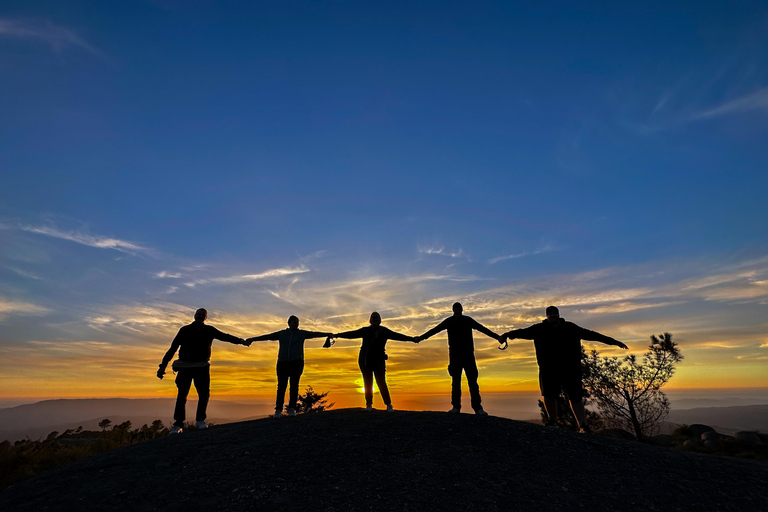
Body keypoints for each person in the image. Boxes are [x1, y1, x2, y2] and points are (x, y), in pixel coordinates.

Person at [499, 305, 628, 433]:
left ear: (558, 315)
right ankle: (553, 421)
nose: (553, 316)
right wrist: (507, 335)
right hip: (548, 369)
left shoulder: (570, 328)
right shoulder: (539, 329)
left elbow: (592, 335)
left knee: (575, 397)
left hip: (570, 369)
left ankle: (582, 425)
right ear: (547, 316)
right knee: (548, 395)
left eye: (555, 313)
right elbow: (521, 332)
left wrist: (614, 342)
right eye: (551, 314)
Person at [157, 308, 247, 434]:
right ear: (194, 316)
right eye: (198, 314)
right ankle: (178, 424)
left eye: (202, 315)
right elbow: (172, 349)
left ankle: (200, 420)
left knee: (204, 395)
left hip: (202, 367)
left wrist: (240, 341)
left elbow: (225, 337)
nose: (200, 316)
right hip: (185, 367)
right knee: (182, 396)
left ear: (205, 318)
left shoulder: (209, 330)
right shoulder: (185, 330)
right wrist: (162, 366)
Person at [415, 302, 500, 415]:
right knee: (456, 382)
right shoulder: (449, 321)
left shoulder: (468, 320)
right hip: (455, 356)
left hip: (468, 355)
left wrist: (497, 337)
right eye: (455, 309)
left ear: (461, 310)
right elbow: (435, 330)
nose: (457, 311)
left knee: (473, 382)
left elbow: (482, 329)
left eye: (458, 309)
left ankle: (478, 408)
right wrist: (421, 337)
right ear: (453, 310)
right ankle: (456, 407)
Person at [246, 316, 333, 418]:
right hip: (282, 363)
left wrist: (327, 334)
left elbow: (314, 334)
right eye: (294, 322)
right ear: (289, 323)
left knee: (294, 386)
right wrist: (253, 339)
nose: (295, 324)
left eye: (297, 322)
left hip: (297, 363)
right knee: (281, 387)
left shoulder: (302, 334)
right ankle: (278, 410)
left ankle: (292, 409)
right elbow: (268, 336)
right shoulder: (282, 334)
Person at [332, 312, 416, 411]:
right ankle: (369, 405)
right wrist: (337, 335)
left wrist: (412, 339)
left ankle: (388, 405)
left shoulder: (384, 331)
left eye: (377, 318)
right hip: (365, 360)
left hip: (378, 359)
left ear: (380, 320)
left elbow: (398, 336)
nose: (375, 319)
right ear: (370, 320)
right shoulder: (365, 331)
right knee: (368, 381)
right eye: (374, 318)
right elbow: (351, 334)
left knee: (381, 381)